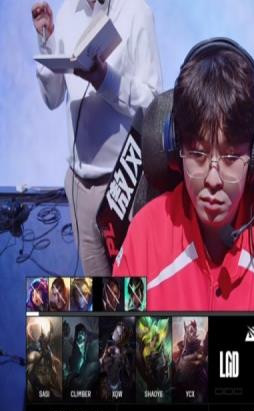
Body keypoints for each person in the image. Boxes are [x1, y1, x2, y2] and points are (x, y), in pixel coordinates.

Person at [113, 39, 254, 312]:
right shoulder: (142, 239)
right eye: (197, 154)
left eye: (231, 158)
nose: (213, 179)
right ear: (175, 149)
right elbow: (120, 331)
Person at [32, 0, 163, 276]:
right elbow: (52, 99)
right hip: (78, 185)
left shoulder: (137, 12)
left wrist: (105, 80)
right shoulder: (67, 13)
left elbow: (153, 105)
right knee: (99, 292)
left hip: (124, 184)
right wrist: (46, 41)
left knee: (133, 289)